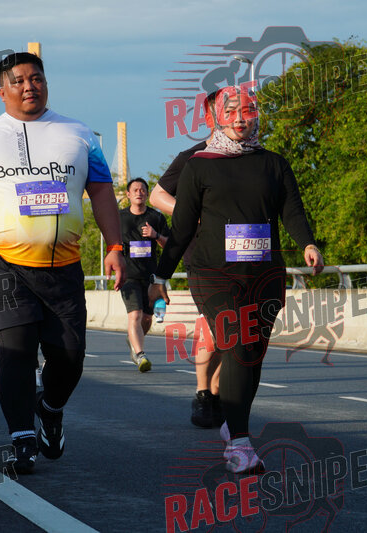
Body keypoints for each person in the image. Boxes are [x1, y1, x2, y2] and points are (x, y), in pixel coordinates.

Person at [0, 52, 125, 475]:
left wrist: (115, 246)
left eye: (36, 78)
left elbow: (101, 192)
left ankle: (50, 408)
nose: (29, 86)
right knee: (15, 351)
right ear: (2, 90)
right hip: (2, 261)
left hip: (64, 265)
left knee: (70, 357)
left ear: (46, 83)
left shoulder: (79, 134)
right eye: (18, 80)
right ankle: (22, 438)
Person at [149, 86, 323, 473]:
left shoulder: (273, 164)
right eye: (231, 111)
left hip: (264, 273)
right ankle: (240, 446)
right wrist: (160, 275)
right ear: (216, 118)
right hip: (213, 273)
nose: (241, 118)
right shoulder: (199, 164)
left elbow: (292, 211)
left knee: (251, 353)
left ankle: (235, 421)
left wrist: (308, 244)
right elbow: (180, 228)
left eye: (248, 110)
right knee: (238, 344)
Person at [150, 91, 224, 428]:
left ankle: (217, 391)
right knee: (213, 323)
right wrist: (191, 213)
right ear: (209, 118)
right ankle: (202, 393)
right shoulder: (192, 157)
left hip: (244, 258)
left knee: (235, 331)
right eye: (224, 111)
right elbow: (158, 195)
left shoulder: (250, 158)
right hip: (203, 257)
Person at [118, 177, 168, 372]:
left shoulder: (156, 217)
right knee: (135, 315)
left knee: (147, 319)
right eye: (135, 190)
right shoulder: (119, 217)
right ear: (128, 195)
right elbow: (111, 243)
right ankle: (140, 355)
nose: (139, 192)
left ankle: (133, 340)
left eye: (143, 190)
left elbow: (170, 246)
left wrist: (156, 235)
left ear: (147, 194)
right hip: (128, 276)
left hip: (150, 278)